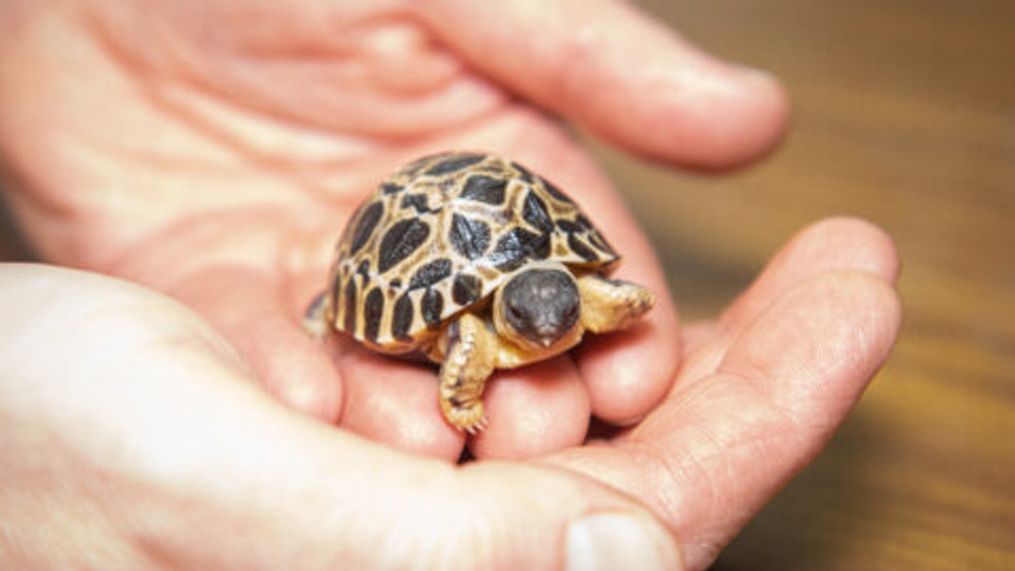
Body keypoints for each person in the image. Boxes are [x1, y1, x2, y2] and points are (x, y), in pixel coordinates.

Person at [0, 1, 901, 569]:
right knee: (405, 364)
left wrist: (615, 305)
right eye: (531, 321)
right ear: (507, 309)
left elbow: (603, 302)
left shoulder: (562, 298)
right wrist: (462, 389)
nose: (548, 334)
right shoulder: (476, 327)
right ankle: (332, 302)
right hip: (407, 237)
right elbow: (470, 342)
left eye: (558, 314)